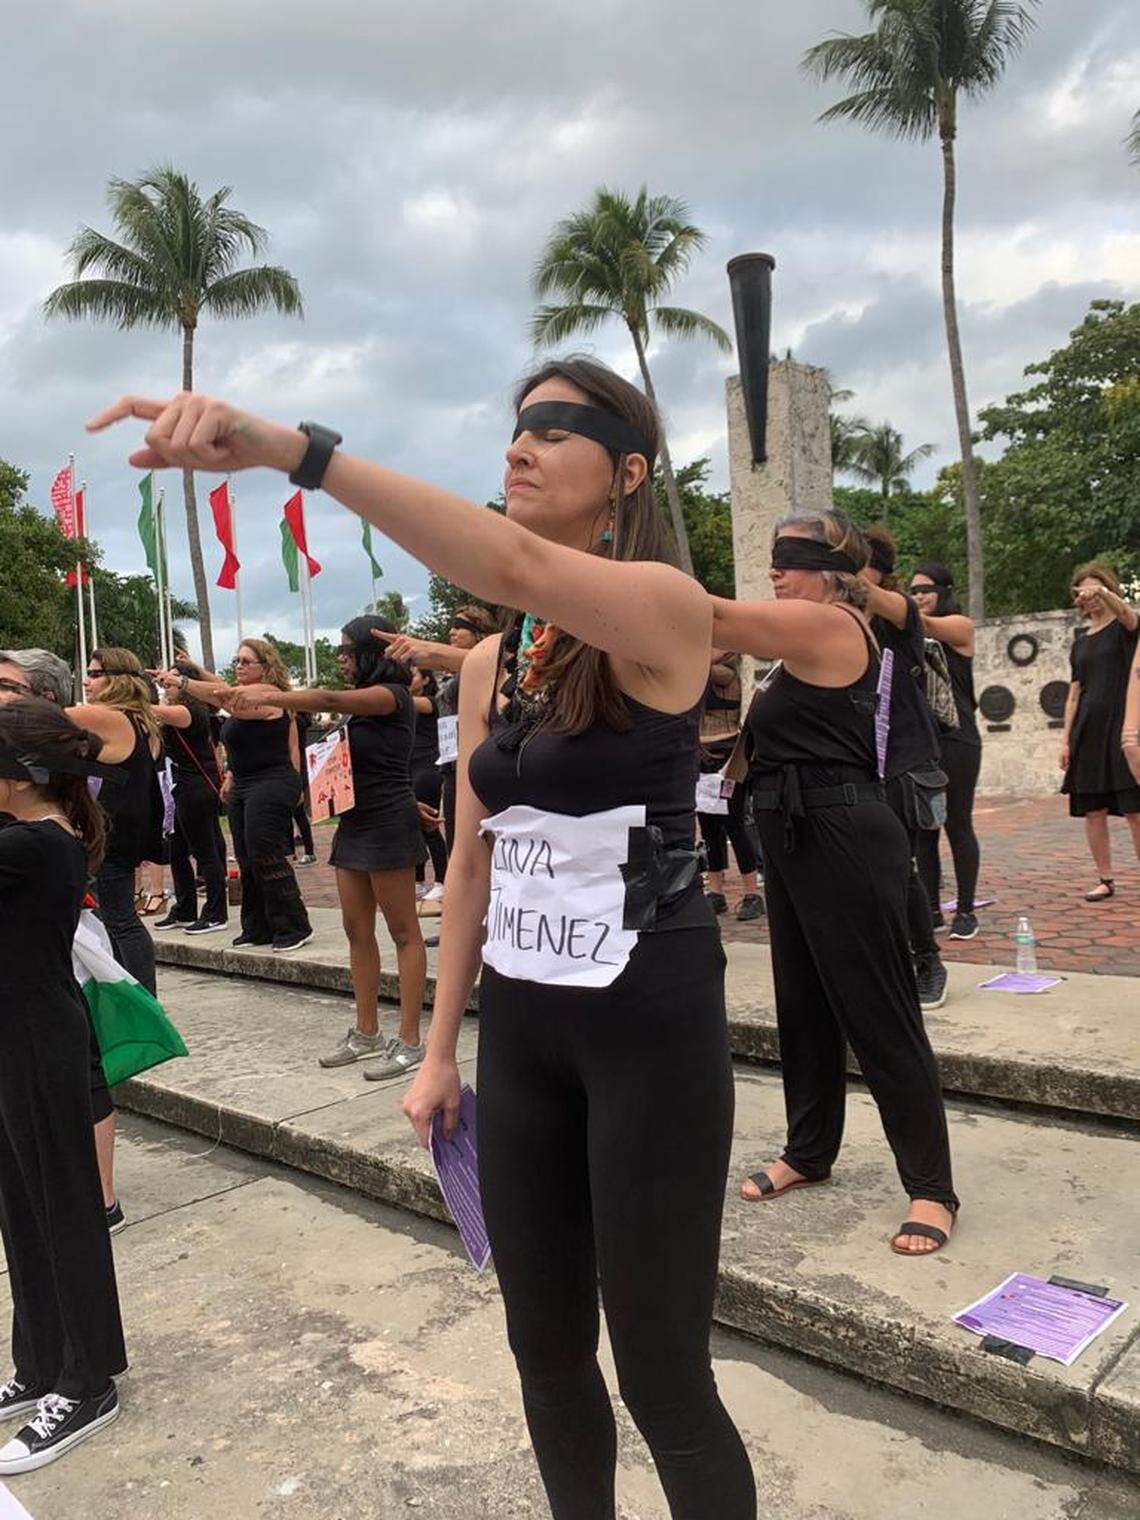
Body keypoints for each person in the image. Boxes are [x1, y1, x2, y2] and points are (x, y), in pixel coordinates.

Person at [91, 360, 757, 1520]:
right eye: (515, 426)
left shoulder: (662, 606)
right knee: (544, 1350)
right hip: (529, 1029)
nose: (522, 444)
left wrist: (293, 448)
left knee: (664, 1372)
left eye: (559, 428)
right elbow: (474, 857)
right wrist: (439, 1046)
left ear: (629, 471)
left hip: (653, 1016)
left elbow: (508, 562)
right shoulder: (503, 659)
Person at [712, 513, 958, 1257]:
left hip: (845, 832)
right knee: (804, 1003)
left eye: (791, 561)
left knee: (877, 1009)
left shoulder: (834, 627)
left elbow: (714, 619)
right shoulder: (797, 648)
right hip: (791, 834)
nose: (776, 574)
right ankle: (809, 1150)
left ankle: (931, 1186)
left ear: (831, 572)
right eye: (774, 561)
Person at [0, 700, 126, 1474]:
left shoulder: (35, 844)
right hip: (13, 1039)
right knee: (21, 1206)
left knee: (62, 1205)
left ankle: (88, 1380)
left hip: (40, 1042)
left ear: (17, 779)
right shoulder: (28, 837)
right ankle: (43, 1361)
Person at [225, 617, 429, 1078]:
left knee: (403, 932)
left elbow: (328, 699)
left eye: (346, 650)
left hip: (387, 824)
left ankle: (412, 1039)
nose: (340, 658)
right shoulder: (362, 707)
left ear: (371, 654)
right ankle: (366, 1031)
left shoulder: (391, 696)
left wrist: (270, 694)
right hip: (356, 821)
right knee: (357, 930)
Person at [0, 650, 125, 1225]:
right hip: (31, 1025)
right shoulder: (41, 833)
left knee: (52, 1224)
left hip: (33, 1033)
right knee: (34, 1218)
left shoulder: (32, 844)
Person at [161, 640, 312, 952]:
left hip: (271, 780)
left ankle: (294, 925)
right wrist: (230, 775)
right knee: (245, 857)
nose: (239, 666)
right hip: (243, 781)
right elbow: (226, 697)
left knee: (263, 851)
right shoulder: (238, 695)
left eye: (247, 661)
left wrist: (182, 680)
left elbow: (227, 698)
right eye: (237, 660)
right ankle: (258, 927)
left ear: (265, 667)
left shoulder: (270, 697)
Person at [860, 527, 949, 1011]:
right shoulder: (838, 619)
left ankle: (927, 960)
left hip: (905, 757)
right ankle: (888, 961)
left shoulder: (896, 611)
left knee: (902, 865)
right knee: (870, 869)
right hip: (858, 762)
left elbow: (893, 606)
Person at [69, 648, 164, 992]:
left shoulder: (109, 716)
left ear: (118, 679)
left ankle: (142, 1001)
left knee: (120, 919)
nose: (87, 680)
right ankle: (137, 996)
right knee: (116, 918)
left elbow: (39, 720)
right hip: (125, 828)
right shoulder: (138, 717)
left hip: (114, 832)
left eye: (95, 674)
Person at [908, 563, 982, 940]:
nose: (919, 597)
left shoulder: (959, 626)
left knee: (958, 823)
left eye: (926, 590)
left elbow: (930, 627)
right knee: (925, 829)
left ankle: (967, 911)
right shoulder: (910, 637)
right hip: (925, 742)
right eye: (914, 591)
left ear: (944, 590)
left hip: (959, 739)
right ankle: (932, 910)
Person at [1059, 564, 1140, 899]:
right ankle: (1105, 879)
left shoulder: (1125, 629)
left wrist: (1104, 592)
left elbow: (1130, 616)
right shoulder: (1080, 643)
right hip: (1088, 732)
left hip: (1123, 727)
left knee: (1135, 809)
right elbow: (1074, 693)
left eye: (1094, 590)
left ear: (1107, 588)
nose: (1088, 597)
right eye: (1082, 593)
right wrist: (1065, 739)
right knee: (1094, 810)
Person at [151, 662, 229, 933]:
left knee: (205, 851)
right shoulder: (180, 710)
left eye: (171, 681)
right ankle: (184, 908)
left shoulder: (191, 710)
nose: (165, 685)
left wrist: (128, 694)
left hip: (195, 787)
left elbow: (152, 712)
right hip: (178, 787)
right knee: (178, 851)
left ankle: (216, 912)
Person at [697, 650, 763, 921]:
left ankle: (751, 893)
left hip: (730, 758)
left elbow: (712, 671)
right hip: (702, 754)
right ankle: (716, 890)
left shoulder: (727, 674)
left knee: (734, 824)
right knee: (709, 825)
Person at [409, 667, 448, 901]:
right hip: (408, 766)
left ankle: (442, 880)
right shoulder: (405, 703)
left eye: (412, 674)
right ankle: (418, 880)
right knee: (412, 825)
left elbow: (412, 703)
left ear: (425, 679)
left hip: (427, 766)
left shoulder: (430, 702)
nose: (407, 678)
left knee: (429, 826)